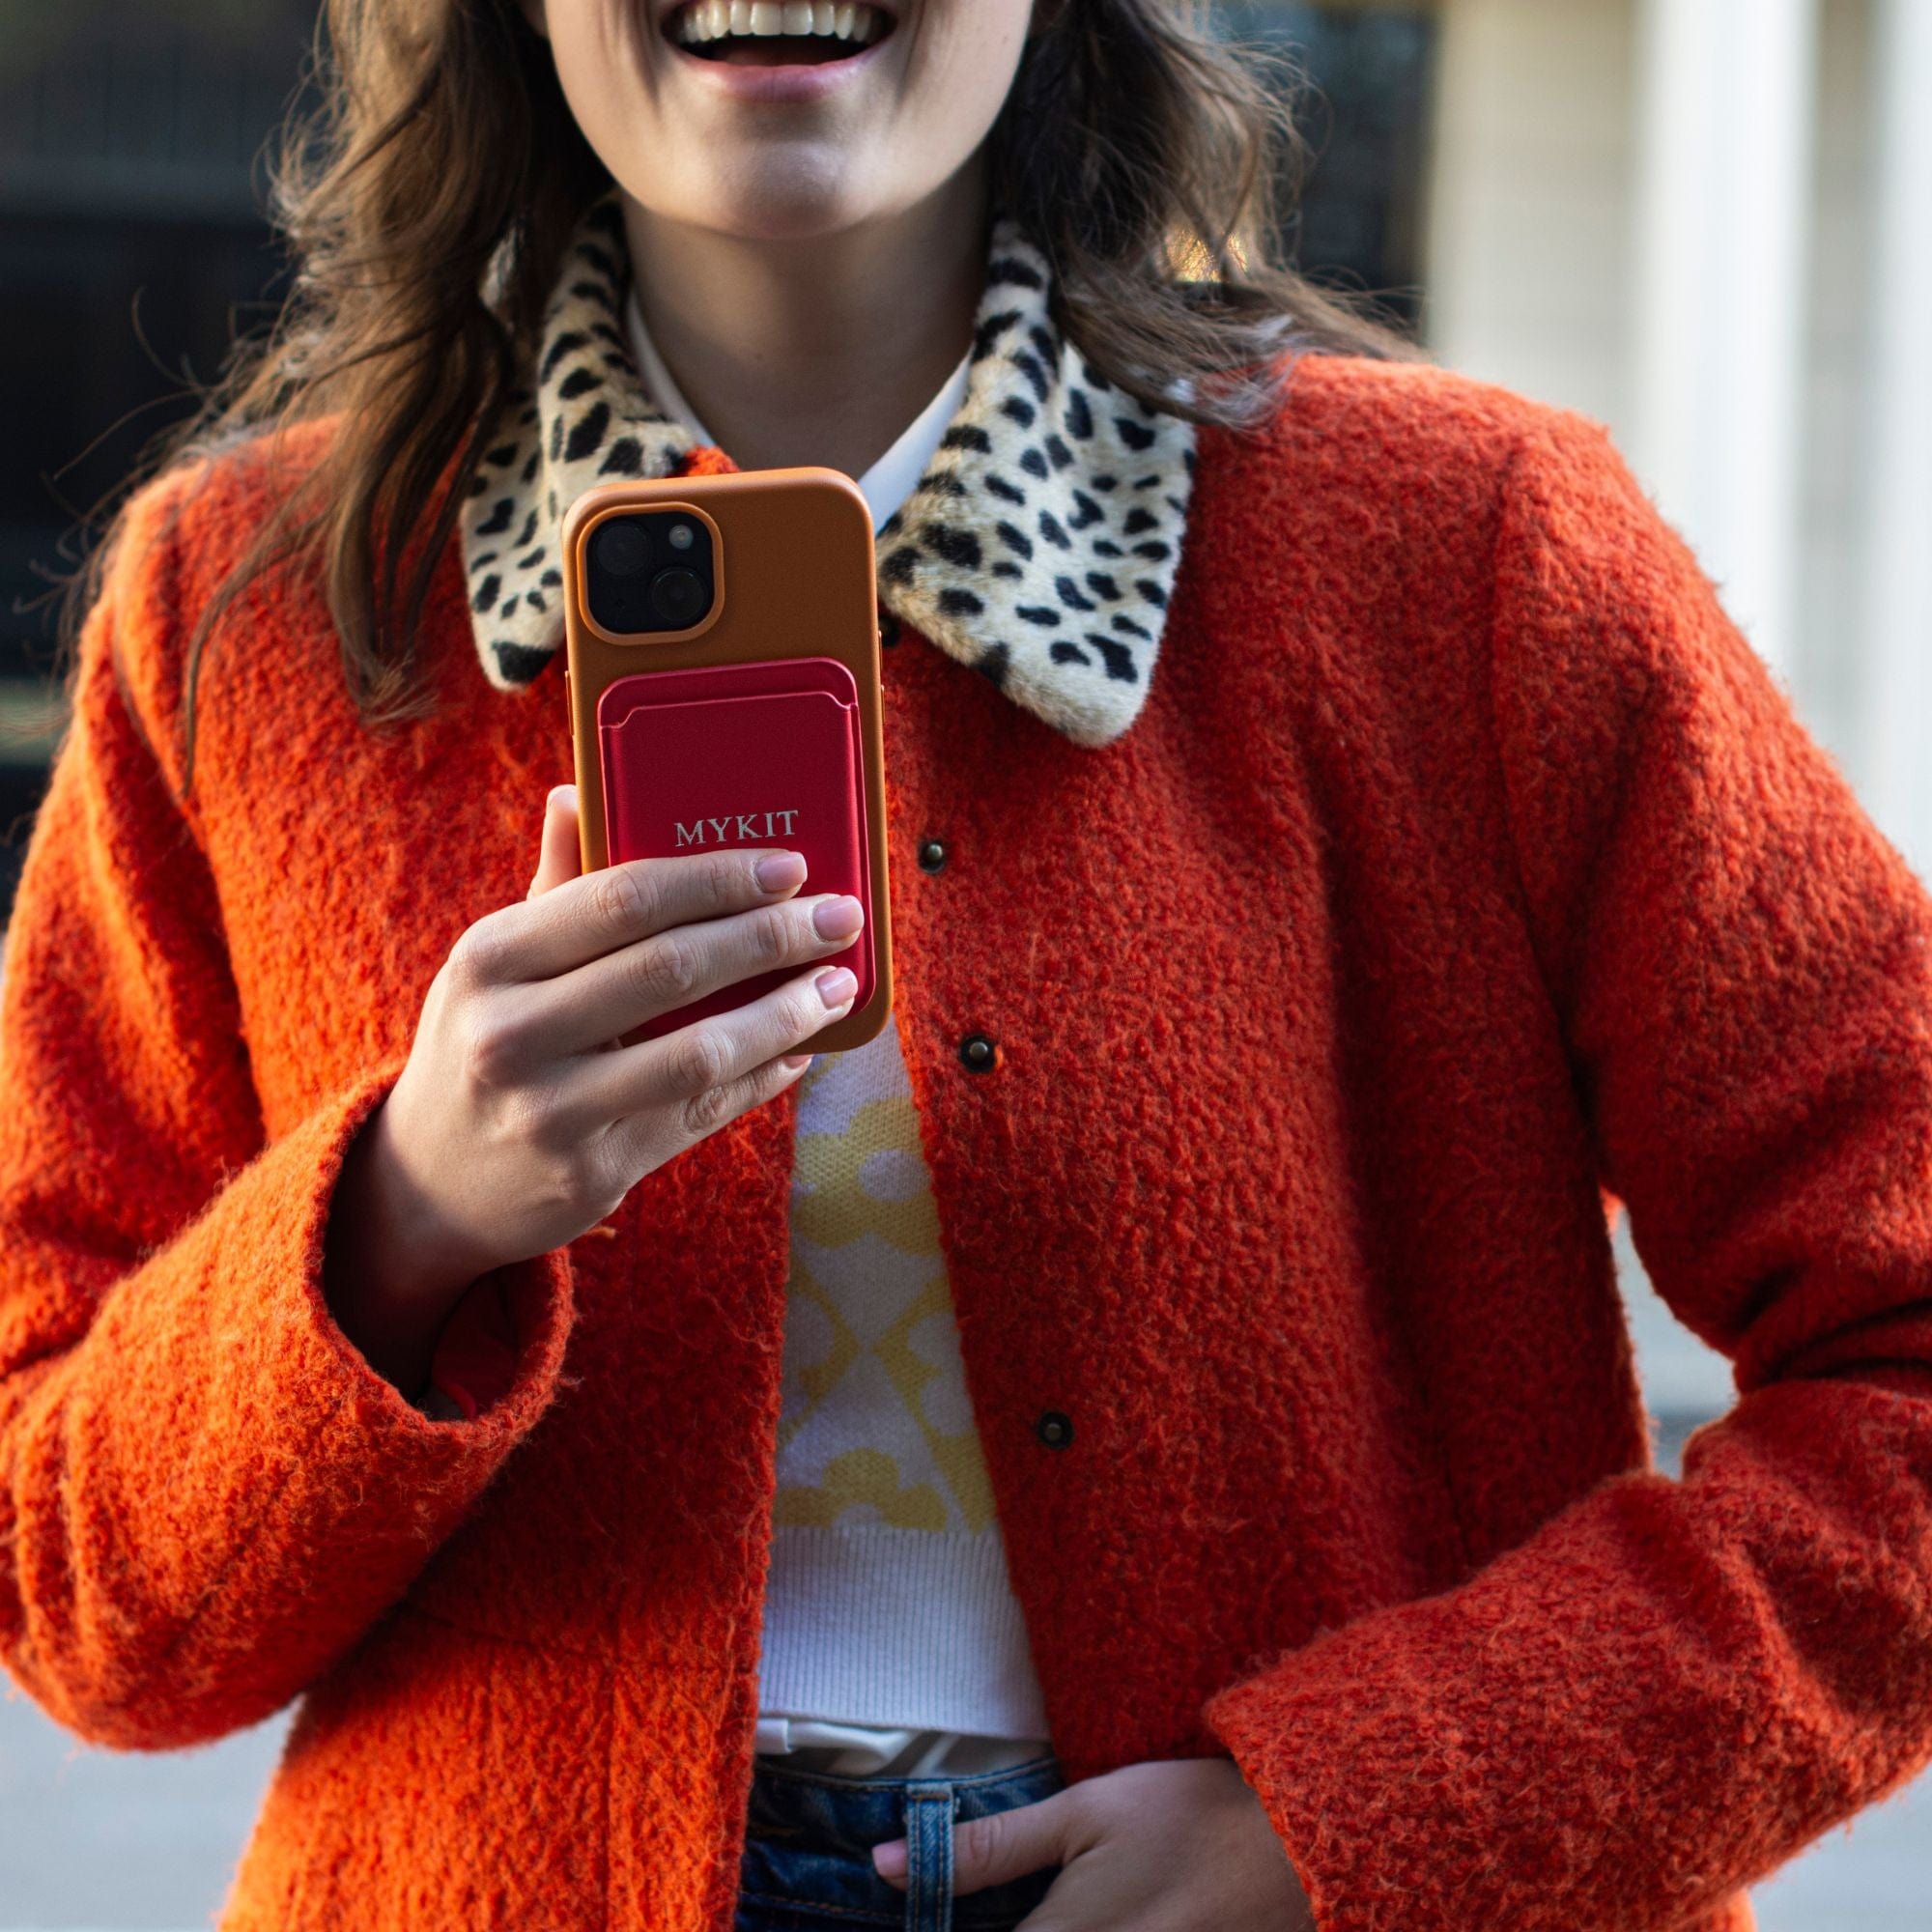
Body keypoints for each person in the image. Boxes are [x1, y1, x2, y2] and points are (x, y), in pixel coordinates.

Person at [4, 0, 1930, 1928]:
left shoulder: (1470, 559)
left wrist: (1373, 1809)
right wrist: (404, 1218)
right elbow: (63, 1581)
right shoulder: (238, 614)